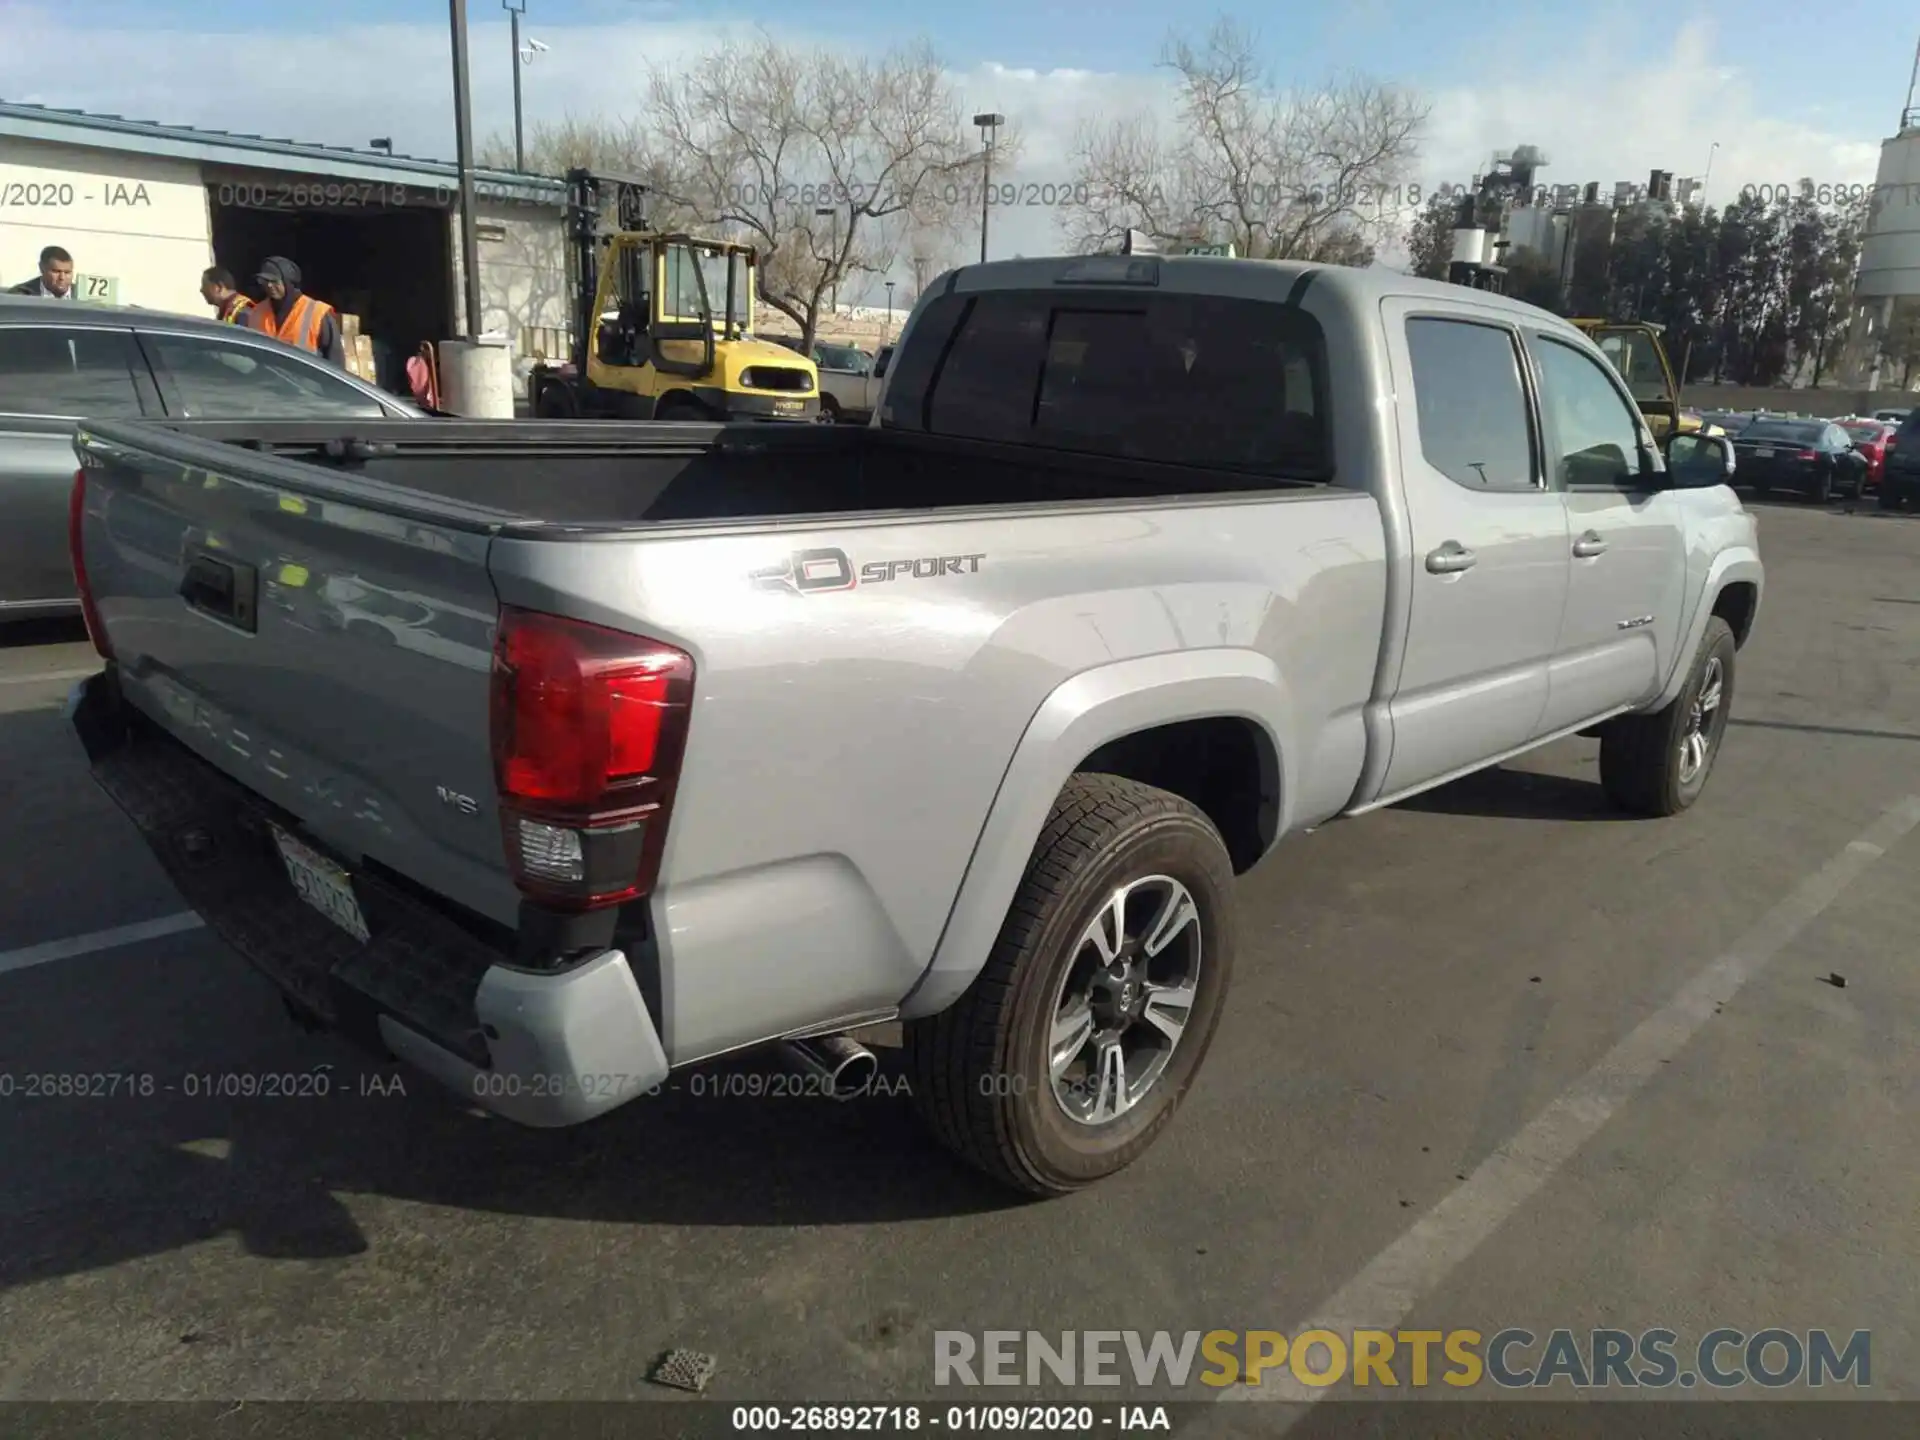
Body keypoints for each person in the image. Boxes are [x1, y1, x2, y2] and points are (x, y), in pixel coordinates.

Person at [242, 256, 345, 366]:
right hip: (265, 381)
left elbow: (336, 360)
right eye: (265, 281)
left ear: (288, 282)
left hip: (304, 381)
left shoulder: (318, 313)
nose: (269, 285)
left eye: (274, 281)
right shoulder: (257, 311)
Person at [8, 244, 75, 299]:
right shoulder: (20, 296)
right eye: (56, 272)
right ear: (42, 268)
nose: (62, 277)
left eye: (67, 272)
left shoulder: (82, 296)